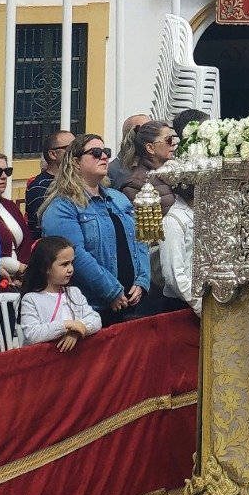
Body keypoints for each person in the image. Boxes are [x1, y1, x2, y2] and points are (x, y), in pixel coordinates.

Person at [40, 134, 152, 324]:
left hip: (132, 302)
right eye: (96, 153)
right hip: (91, 308)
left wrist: (142, 280)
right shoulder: (62, 207)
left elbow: (140, 238)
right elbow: (75, 254)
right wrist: (111, 291)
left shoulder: (119, 198)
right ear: (75, 162)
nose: (104, 157)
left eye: (106, 152)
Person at [19, 235, 102, 349]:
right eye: (64, 264)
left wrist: (78, 330)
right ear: (46, 268)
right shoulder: (31, 299)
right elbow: (32, 335)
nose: (70, 269)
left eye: (71, 263)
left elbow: (95, 319)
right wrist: (67, 325)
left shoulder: (74, 293)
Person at [0, 150, 30, 287]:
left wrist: (22, 276)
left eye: (7, 171)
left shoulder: (10, 205)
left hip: (21, 281)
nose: (3, 176)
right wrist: (21, 269)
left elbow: (26, 240)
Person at [23, 129, 74, 238]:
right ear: (53, 154)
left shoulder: (79, 179)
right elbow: (48, 222)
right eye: (70, 148)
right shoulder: (38, 186)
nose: (76, 152)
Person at [120, 120, 178, 207]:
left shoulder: (174, 173)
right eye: (168, 140)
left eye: (173, 138)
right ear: (150, 148)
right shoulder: (136, 185)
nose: (174, 143)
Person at [160, 182, 196, 314]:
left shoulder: (203, 212)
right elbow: (174, 277)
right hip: (181, 303)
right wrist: (199, 306)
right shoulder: (173, 221)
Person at [108, 114, 149, 190]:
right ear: (129, 136)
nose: (150, 134)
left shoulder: (160, 165)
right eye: (144, 130)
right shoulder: (111, 171)